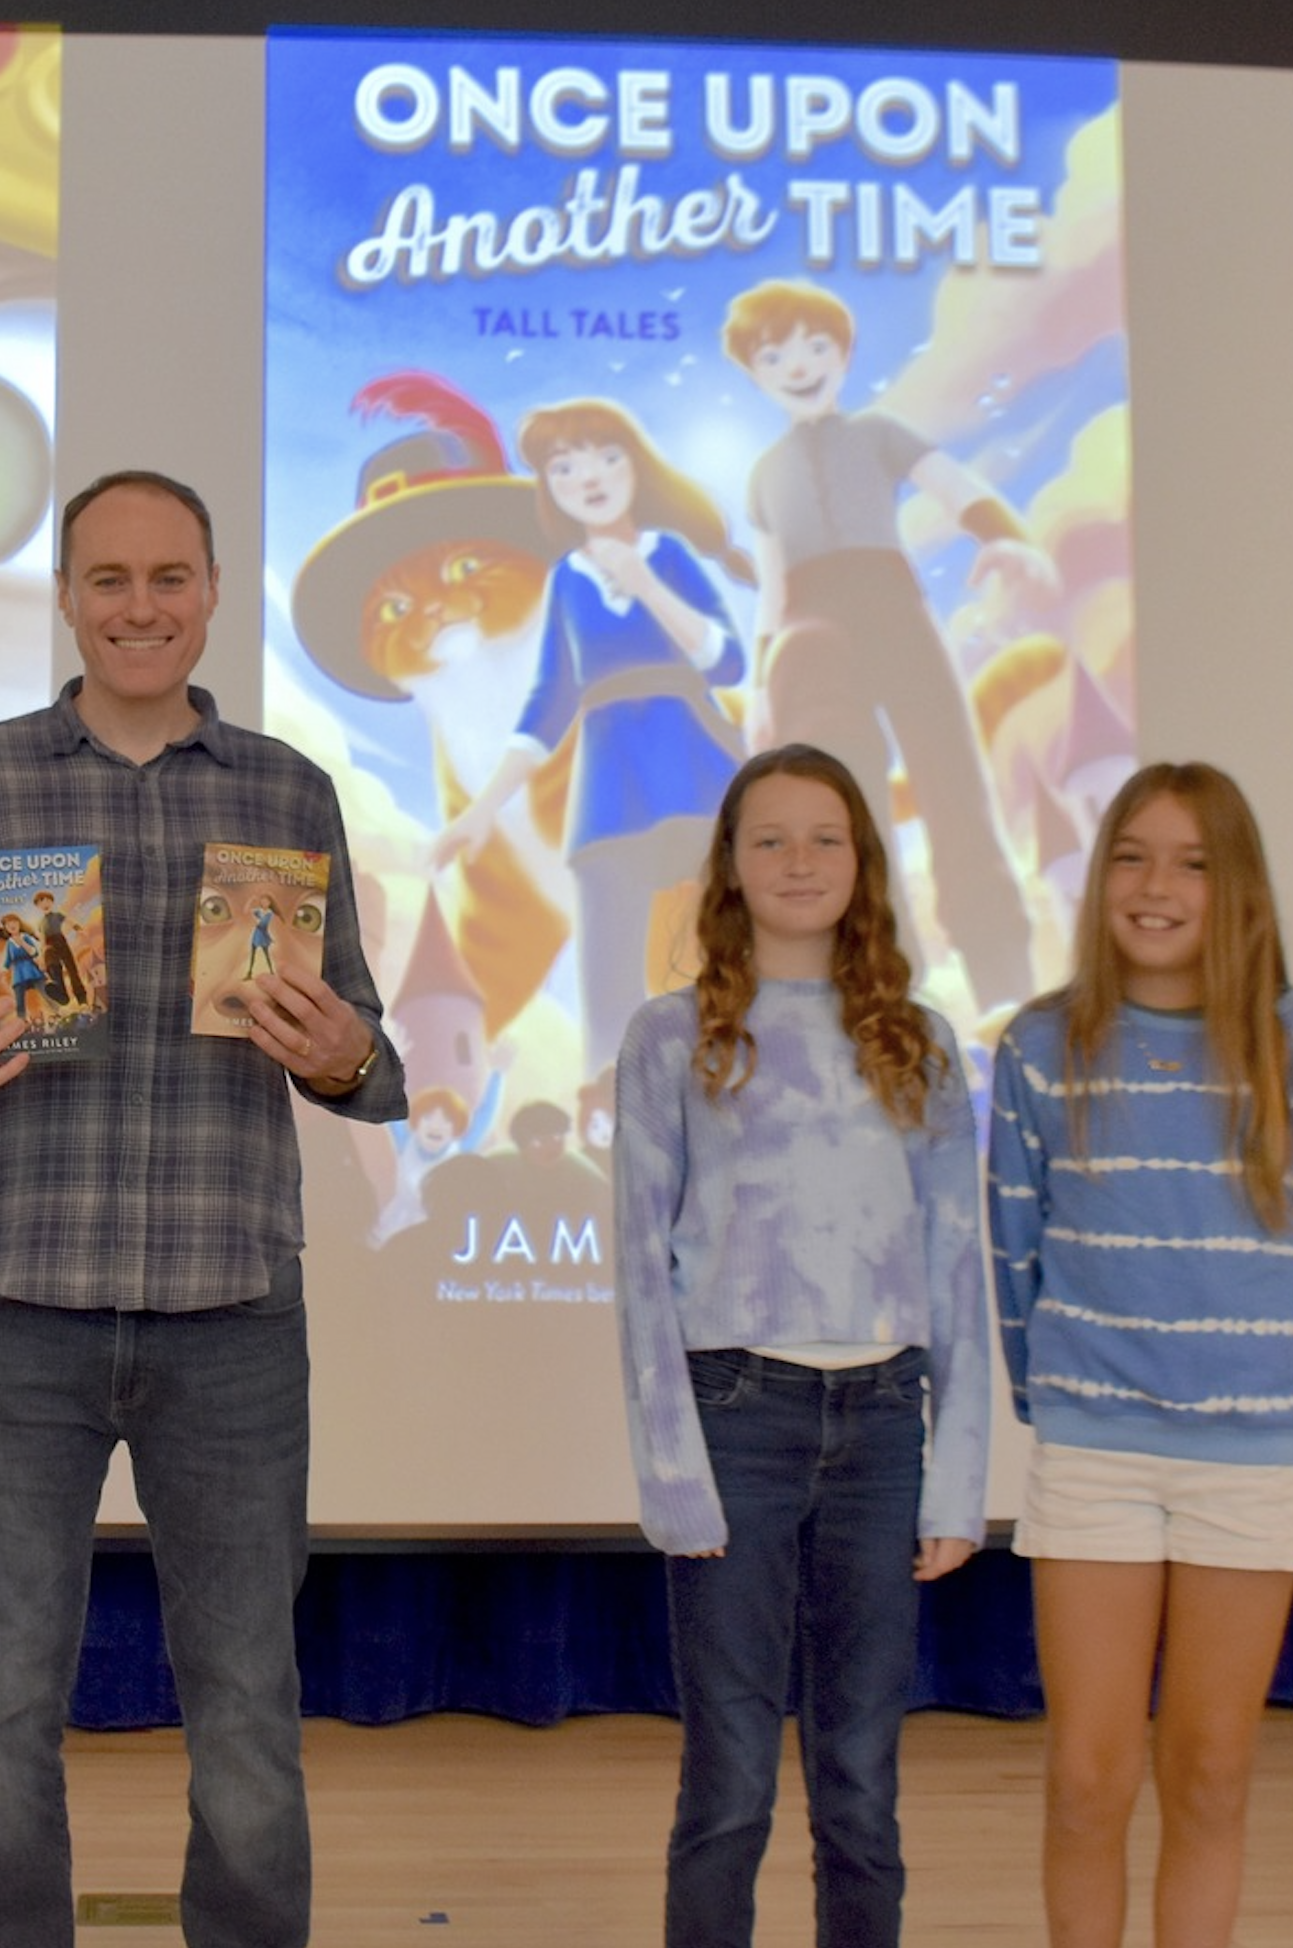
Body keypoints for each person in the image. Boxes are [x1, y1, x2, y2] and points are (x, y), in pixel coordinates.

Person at [0, 469, 407, 1948]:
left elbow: (369, 1058)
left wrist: (348, 1056)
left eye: (167, 578)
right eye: (107, 579)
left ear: (211, 593)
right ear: (67, 598)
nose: (138, 606)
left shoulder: (289, 794)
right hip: (14, 1316)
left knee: (244, 1706)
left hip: (230, 1321)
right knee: (3, 1704)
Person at [986, 762, 1293, 1948]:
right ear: (1099, 875)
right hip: (1095, 1452)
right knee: (1085, 1782)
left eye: (1192, 862)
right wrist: (1068, 1383)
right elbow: (1012, 1245)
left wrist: (1233, 1349)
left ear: (1236, 889)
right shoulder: (1042, 1046)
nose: (1157, 885)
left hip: (1249, 1458)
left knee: (1208, 1772)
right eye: (1131, 855)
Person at [613, 745, 988, 1948]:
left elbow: (954, 1267)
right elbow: (636, 1269)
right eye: (766, 838)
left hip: (882, 1426)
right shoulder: (670, 1036)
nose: (796, 861)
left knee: (861, 1785)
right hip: (736, 1420)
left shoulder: (917, 1042)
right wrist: (671, 1470)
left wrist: (960, 1477)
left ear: (860, 864)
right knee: (727, 1782)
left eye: (823, 837)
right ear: (727, 866)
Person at [723, 278, 1056, 1013]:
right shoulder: (763, 474)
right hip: (812, 631)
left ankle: (1002, 973)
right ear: (756, 372)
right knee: (845, 799)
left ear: (842, 353)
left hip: (892, 608)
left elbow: (951, 483)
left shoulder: (879, 433)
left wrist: (1003, 536)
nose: (800, 364)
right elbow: (772, 589)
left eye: (816, 346)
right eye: (777, 355)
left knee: (951, 777)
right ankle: (883, 973)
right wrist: (759, 691)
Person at [432, 397, 750, 1094]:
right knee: (608, 968)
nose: (590, 477)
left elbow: (727, 662)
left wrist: (644, 585)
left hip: (694, 767)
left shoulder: (668, 553)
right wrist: (482, 810)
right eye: (564, 466)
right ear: (551, 487)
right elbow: (547, 703)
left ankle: (733, 1097)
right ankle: (606, 1107)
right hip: (610, 787)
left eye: (607, 456)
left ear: (635, 463)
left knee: (721, 951)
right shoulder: (567, 581)